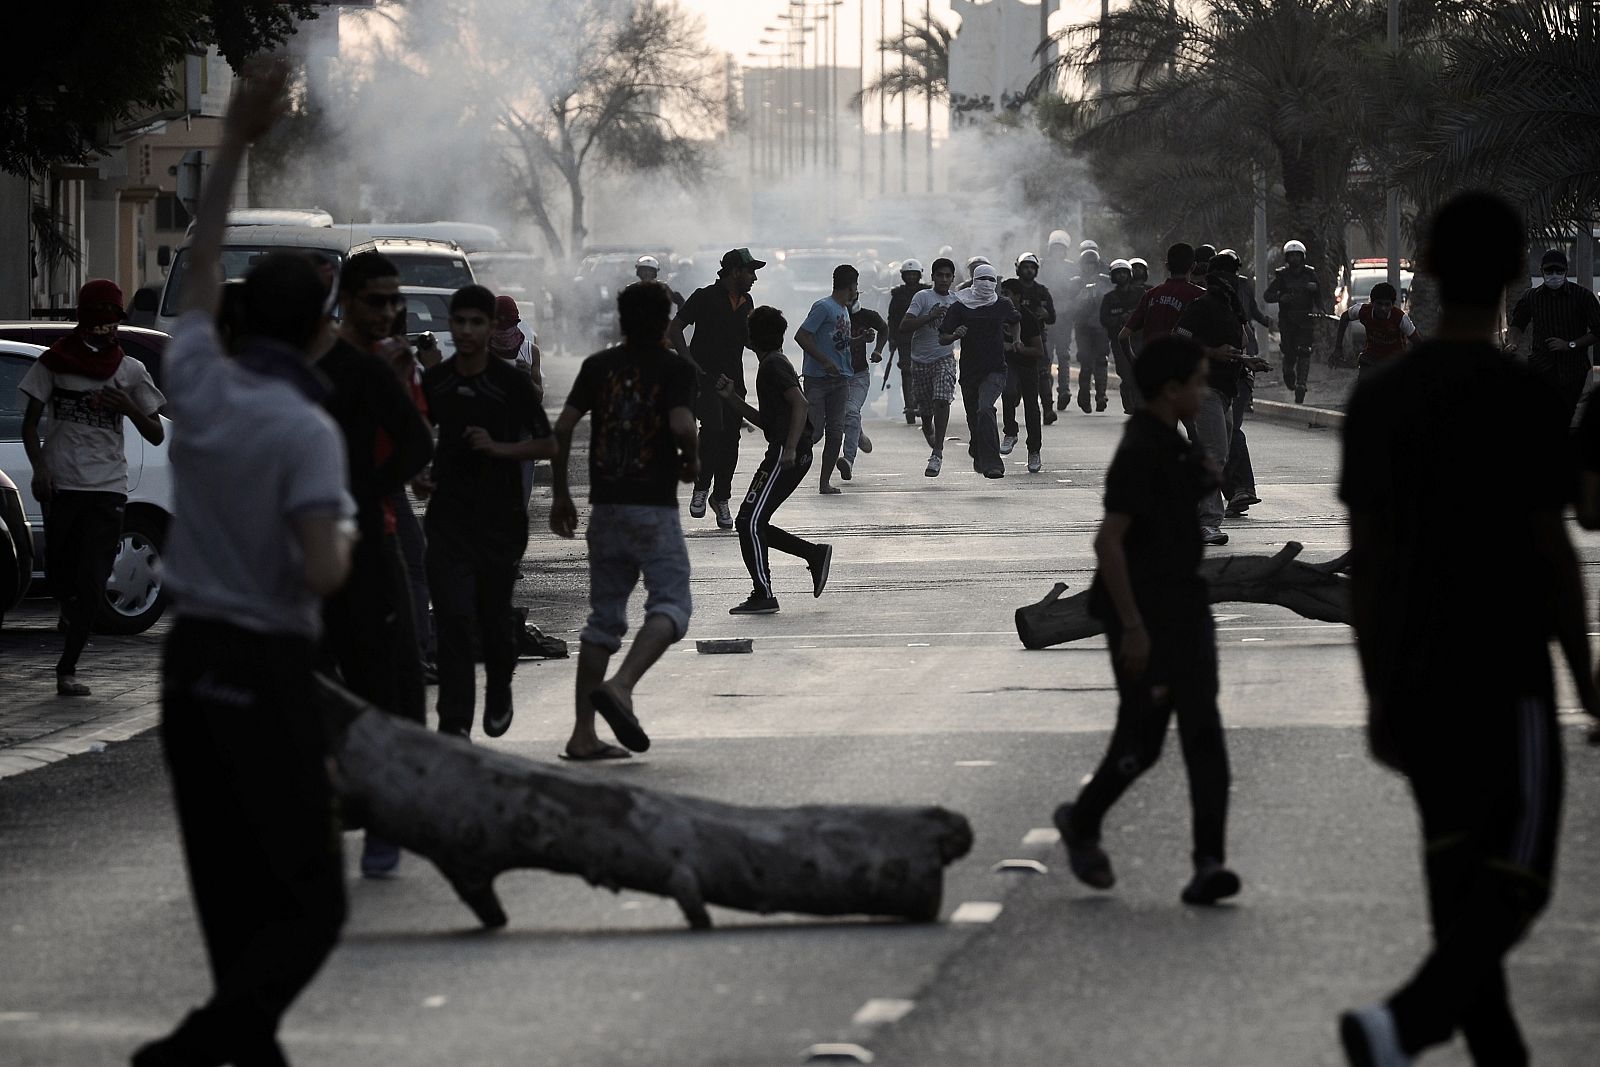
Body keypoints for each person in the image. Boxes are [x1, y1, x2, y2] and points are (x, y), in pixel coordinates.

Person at [1337, 190, 1599, 1067]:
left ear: (1430, 271)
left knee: (1458, 884)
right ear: (1519, 271)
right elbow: (1552, 553)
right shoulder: (1522, 397)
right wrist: (1588, 680)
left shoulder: (1379, 399)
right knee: (1518, 878)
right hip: (1507, 675)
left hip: (1414, 672)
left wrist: (1377, 691)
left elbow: (1365, 564)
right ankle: (1403, 1024)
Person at [138, 60, 354, 1067]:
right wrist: (347, 536)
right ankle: (194, 1046)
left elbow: (204, 251)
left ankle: (238, 1044)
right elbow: (319, 572)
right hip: (266, 670)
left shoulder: (199, 382)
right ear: (318, 332)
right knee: (309, 900)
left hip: (189, 666)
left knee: (230, 896)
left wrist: (234, 139)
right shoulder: (303, 425)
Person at [1052, 336, 1241, 909]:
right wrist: (1132, 627)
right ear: (1170, 389)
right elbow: (1109, 543)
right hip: (1142, 614)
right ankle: (1082, 821)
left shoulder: (1173, 442)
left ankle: (1209, 862)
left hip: (1186, 607)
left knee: (1204, 733)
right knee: (1143, 742)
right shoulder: (1139, 448)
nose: (1204, 392)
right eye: (1198, 382)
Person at [318, 250, 435, 877]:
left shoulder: (390, 366)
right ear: (345, 300)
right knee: (318, 683)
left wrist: (372, 489)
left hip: (373, 532)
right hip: (308, 544)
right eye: (376, 301)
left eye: (395, 301)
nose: (388, 312)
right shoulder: (324, 365)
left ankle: (386, 819)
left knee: (389, 681)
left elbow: (417, 440)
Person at [549, 281, 697, 760]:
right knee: (672, 603)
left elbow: (564, 426)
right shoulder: (673, 367)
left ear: (620, 320)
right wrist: (691, 459)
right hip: (652, 507)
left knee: (603, 621)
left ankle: (582, 736)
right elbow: (679, 425)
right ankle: (623, 686)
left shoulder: (598, 366)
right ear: (664, 322)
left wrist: (562, 497)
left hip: (605, 508)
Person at [418, 284, 555, 740]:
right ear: (453, 328)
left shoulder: (512, 382)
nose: (472, 331)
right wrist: (418, 470)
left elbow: (547, 443)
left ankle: (499, 687)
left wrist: (499, 448)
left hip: (499, 518)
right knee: (454, 617)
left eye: (480, 322)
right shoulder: (437, 381)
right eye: (463, 322)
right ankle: (454, 721)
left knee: (493, 615)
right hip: (449, 518)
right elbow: (414, 434)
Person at [18, 278, 165, 697]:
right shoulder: (53, 364)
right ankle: (69, 609)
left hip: (108, 488)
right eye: (97, 318)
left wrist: (130, 408)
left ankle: (68, 669)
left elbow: (156, 433)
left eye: (111, 319)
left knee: (92, 580)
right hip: (62, 484)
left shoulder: (130, 371)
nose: (105, 328)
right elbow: (29, 423)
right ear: (83, 319)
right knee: (63, 575)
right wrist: (39, 467)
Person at [713, 306, 833, 615]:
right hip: (784, 449)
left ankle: (764, 593)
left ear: (751, 340)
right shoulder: (773, 363)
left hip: (787, 452)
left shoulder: (773, 366)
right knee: (751, 522)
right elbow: (769, 420)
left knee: (748, 522)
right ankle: (812, 554)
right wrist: (732, 399)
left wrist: (790, 448)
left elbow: (801, 404)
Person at [1174, 250, 1269, 547]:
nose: (1229, 280)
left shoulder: (1232, 308)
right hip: (1204, 388)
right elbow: (1179, 338)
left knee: (1219, 453)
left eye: (1233, 274)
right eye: (1224, 275)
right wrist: (1211, 353)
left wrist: (1247, 361)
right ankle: (1207, 522)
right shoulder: (1201, 305)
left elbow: (1231, 349)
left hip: (1226, 390)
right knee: (1214, 454)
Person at [671, 248, 761, 528]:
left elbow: (750, 339)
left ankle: (721, 498)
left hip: (734, 381)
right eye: (750, 271)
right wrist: (687, 360)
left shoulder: (747, 302)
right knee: (713, 431)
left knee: (731, 439)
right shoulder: (704, 296)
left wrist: (770, 355)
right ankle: (702, 487)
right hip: (705, 378)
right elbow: (674, 329)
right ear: (734, 272)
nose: (754, 277)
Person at [940, 263, 1019, 478]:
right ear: (973, 281)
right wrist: (956, 334)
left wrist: (1017, 340)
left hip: (994, 369)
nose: (986, 284)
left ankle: (994, 464)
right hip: (970, 372)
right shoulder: (960, 306)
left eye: (990, 280)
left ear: (996, 282)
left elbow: (1015, 320)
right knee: (974, 417)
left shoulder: (1002, 304)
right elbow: (942, 336)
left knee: (985, 409)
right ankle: (977, 449)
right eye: (981, 279)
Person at [1507, 248, 1600, 428]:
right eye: (1549, 271)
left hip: (1573, 370)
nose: (1554, 276)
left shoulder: (1582, 296)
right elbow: (1518, 323)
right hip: (1541, 366)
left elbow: (1597, 330)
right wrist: (1513, 343)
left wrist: (1570, 345)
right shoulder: (1531, 297)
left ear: (1566, 271)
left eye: (1559, 271)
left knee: (1563, 415)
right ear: (1542, 271)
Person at [795, 264, 863, 495]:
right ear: (852, 286)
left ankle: (824, 483)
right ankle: (785, 466)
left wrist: (860, 339)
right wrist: (824, 361)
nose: (856, 291)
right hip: (818, 380)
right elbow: (801, 336)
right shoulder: (824, 307)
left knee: (836, 433)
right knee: (813, 433)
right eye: (856, 286)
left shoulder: (843, 310)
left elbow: (839, 343)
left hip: (841, 380)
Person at [1218, 250, 1274, 519]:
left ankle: (1238, 490)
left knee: (1228, 431)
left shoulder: (1237, 295)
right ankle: (1233, 492)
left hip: (1233, 377)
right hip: (1217, 377)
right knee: (1222, 434)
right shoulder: (1203, 300)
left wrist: (1248, 361)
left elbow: (1247, 329)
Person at [902, 258, 961, 477]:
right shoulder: (922, 297)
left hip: (943, 358)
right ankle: (928, 428)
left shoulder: (956, 302)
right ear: (933, 277)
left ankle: (937, 452)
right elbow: (905, 325)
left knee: (942, 398)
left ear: (953, 278)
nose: (944, 279)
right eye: (940, 275)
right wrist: (930, 316)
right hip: (920, 362)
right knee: (926, 412)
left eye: (948, 276)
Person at [1003, 252, 1058, 440]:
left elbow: (1052, 317)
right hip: (1012, 340)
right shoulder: (1011, 290)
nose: (1028, 270)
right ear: (1018, 268)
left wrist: (1045, 314)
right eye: (1025, 267)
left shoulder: (1042, 291)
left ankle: (1048, 409)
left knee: (1043, 373)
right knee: (1013, 381)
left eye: (1032, 267)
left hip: (1036, 338)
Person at [1264, 238, 1323, 404]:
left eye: (1298, 256)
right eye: (1292, 256)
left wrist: (1319, 307)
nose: (1295, 259)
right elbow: (1267, 295)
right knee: (1289, 352)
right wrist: (1281, 297)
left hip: (1305, 319)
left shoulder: (1311, 274)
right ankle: (1288, 372)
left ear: (1302, 257)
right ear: (1287, 258)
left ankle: (1301, 385)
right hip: (1287, 320)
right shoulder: (1281, 276)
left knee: (1305, 350)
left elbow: (1319, 297)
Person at [999, 277, 1048, 472]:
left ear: (1018, 297)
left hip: (1027, 365)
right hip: (1008, 364)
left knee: (1031, 408)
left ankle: (1034, 451)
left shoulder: (1028, 318)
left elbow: (1039, 351)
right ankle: (1010, 432)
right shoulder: (997, 314)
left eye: (1007, 293)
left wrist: (1017, 348)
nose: (1003, 297)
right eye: (1001, 293)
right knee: (1008, 392)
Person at [840, 296, 886, 481]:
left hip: (858, 375)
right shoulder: (831, 314)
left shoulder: (868, 316)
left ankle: (848, 460)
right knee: (837, 417)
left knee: (851, 412)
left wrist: (878, 350)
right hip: (834, 375)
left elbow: (884, 328)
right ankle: (858, 435)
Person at [1334, 281, 1420, 376]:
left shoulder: (1400, 318)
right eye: (1379, 304)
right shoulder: (1363, 311)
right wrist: (1338, 348)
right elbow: (1344, 317)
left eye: (1387, 305)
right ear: (1372, 303)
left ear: (1392, 304)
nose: (1383, 308)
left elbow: (1417, 341)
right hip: (1370, 359)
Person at [886, 259, 930, 424]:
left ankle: (923, 401)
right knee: (907, 371)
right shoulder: (898, 294)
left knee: (925, 371)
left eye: (914, 274)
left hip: (924, 337)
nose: (911, 277)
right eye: (908, 274)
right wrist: (891, 338)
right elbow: (892, 318)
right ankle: (910, 405)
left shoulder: (927, 291)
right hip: (904, 338)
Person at [1099, 259, 1145, 415]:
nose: (1121, 276)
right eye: (1117, 273)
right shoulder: (1109, 298)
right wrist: (1120, 319)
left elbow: (1147, 314)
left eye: (1124, 273)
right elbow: (1104, 319)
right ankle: (1127, 395)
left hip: (1138, 339)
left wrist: (1134, 319)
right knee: (1125, 372)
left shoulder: (1140, 294)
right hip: (1119, 341)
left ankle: (1139, 403)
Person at [1070, 248, 1112, 412]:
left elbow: (1111, 298)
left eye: (1092, 264)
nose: (1089, 267)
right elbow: (1070, 305)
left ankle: (1101, 395)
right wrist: (1081, 297)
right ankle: (1084, 395)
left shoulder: (1104, 281)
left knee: (1101, 361)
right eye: (1087, 264)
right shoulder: (1076, 282)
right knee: (1086, 362)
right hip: (1083, 327)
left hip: (1101, 326)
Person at [1040, 230, 1075, 418]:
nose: (1058, 253)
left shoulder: (1071, 269)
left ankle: (1064, 391)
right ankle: (1048, 393)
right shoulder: (1041, 266)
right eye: (1055, 248)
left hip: (1064, 318)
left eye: (1061, 249)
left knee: (1063, 355)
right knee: (1046, 357)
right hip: (1045, 318)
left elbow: (1077, 291)